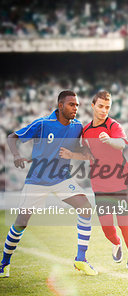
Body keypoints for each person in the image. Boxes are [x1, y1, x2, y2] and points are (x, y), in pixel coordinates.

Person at [0, 90, 97, 277]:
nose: (75, 108)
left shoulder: (77, 126)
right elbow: (12, 137)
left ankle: (81, 259)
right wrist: (17, 155)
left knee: (85, 207)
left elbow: (84, 152)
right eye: (71, 104)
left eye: (77, 105)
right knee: (21, 222)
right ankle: (4, 263)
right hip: (37, 180)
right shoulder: (43, 124)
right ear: (60, 106)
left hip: (62, 178)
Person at [60, 90, 128, 269]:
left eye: (107, 107)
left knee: (124, 222)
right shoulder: (86, 130)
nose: (104, 110)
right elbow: (89, 155)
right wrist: (72, 154)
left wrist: (110, 140)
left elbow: (121, 143)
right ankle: (116, 242)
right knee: (106, 226)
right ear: (93, 106)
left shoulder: (113, 126)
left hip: (120, 180)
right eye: (101, 106)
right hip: (100, 183)